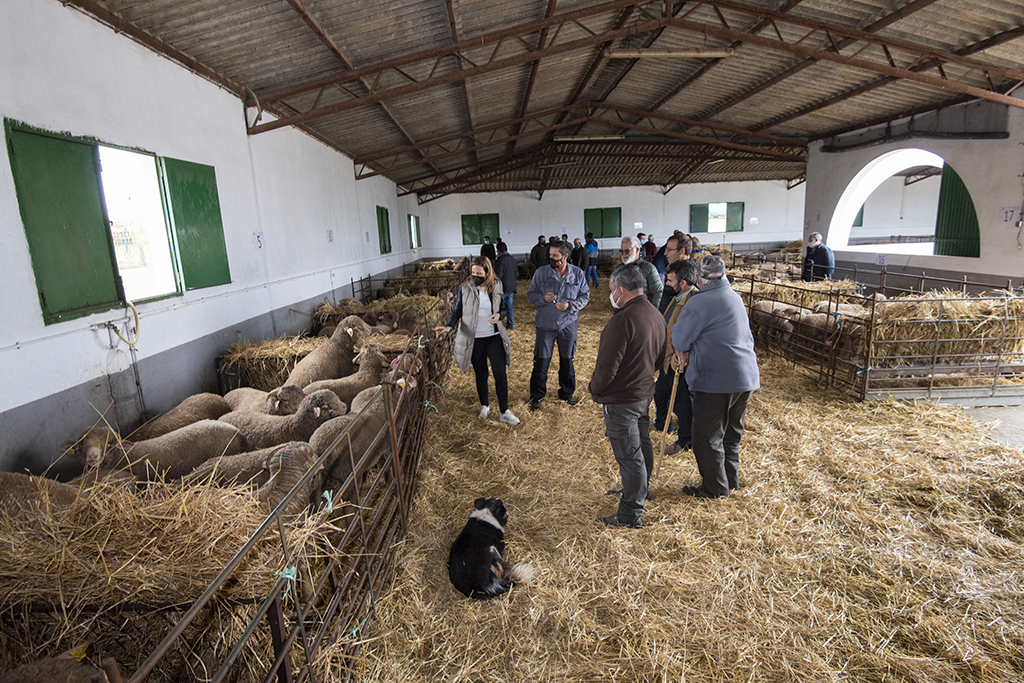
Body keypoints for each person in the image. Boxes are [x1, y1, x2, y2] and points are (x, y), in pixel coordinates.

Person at [671, 255, 760, 498]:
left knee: (707, 437)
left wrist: (685, 345)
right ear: (725, 275)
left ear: (699, 278)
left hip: (716, 379)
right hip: (745, 377)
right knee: (731, 434)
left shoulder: (701, 302)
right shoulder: (735, 297)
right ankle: (730, 481)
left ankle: (715, 490)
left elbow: (679, 338)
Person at [589, 264, 667, 529]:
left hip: (622, 400)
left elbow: (606, 369)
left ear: (620, 290)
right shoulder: (656, 314)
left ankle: (630, 513)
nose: (611, 294)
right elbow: (658, 358)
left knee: (629, 456)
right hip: (644, 394)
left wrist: (595, 389)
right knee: (642, 446)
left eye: (611, 289)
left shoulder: (622, 320)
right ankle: (640, 491)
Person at [436, 257, 519, 426]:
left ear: (487, 272)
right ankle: (485, 405)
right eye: (473, 273)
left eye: (479, 273)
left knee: (500, 374)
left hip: (493, 337)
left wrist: (500, 315)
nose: (475, 276)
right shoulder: (465, 288)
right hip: (475, 339)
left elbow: (503, 307)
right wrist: (449, 326)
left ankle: (504, 411)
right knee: (481, 374)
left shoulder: (496, 285)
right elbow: (457, 309)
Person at [526, 239, 590, 411]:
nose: (552, 258)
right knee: (541, 362)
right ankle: (537, 396)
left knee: (567, 360)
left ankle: (567, 393)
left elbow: (585, 296)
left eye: (555, 255)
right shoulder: (541, 273)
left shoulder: (577, 274)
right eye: (550, 255)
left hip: (568, 324)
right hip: (545, 325)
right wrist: (542, 299)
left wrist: (570, 305)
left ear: (565, 256)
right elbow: (530, 295)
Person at [653, 259, 699, 455]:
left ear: (683, 283)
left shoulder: (694, 301)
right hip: (668, 360)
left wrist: (680, 360)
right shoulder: (677, 298)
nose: (667, 285)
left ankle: (686, 441)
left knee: (682, 403)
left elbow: (693, 334)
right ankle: (663, 424)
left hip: (680, 363)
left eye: (670, 281)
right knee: (660, 394)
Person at [619, 236, 663, 309]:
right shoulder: (619, 269)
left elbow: (658, 292)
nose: (624, 254)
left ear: (637, 250)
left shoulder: (648, 268)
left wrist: (652, 311)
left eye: (627, 251)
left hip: (643, 311)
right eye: (621, 251)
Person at [494, 242, 518, 332]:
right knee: (509, 307)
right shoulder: (513, 259)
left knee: (498, 308)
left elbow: (498, 275)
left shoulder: (500, 261)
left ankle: (498, 327)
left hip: (502, 289)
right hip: (511, 287)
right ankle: (510, 326)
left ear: (498, 251)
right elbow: (516, 274)